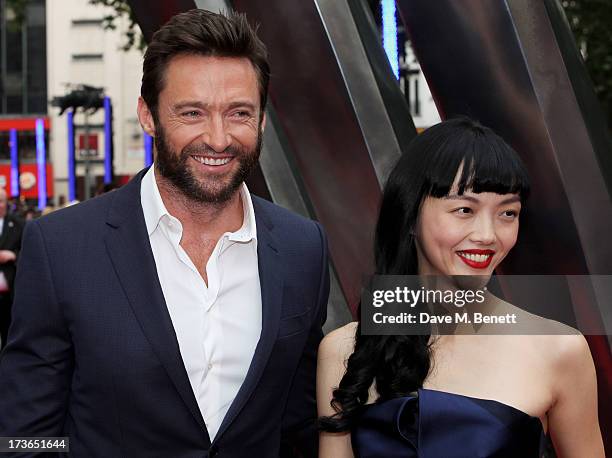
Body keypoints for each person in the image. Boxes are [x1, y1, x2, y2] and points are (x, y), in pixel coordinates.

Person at [0, 10, 329, 458]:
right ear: (148, 115)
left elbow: (296, 425)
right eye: (192, 112)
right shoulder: (61, 248)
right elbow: (26, 435)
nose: (218, 138)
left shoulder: (302, 247)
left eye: (238, 113)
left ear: (262, 119)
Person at [317, 117, 604, 457]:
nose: (488, 235)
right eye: (465, 209)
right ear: (410, 216)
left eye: (508, 213)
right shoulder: (343, 350)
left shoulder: (559, 349)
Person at [0, 188, 24, 349]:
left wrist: (13, 255)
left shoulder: (18, 224)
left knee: (8, 332)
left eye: (0, 201)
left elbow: (29, 251)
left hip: (8, 292)